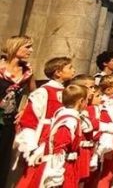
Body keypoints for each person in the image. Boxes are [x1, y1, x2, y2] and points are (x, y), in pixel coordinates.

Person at [15, 56, 75, 188]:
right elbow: (30, 120)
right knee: (33, 177)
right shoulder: (43, 91)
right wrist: (31, 147)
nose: (73, 70)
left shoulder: (67, 92)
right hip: (42, 140)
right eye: (70, 67)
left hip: (58, 141)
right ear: (57, 72)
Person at [0, 35, 35, 188]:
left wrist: (24, 109)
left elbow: (35, 94)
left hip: (8, 121)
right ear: (16, 46)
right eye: (27, 47)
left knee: (2, 159)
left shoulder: (27, 71)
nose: (31, 50)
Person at [43, 84, 88, 188]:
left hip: (69, 164)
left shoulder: (70, 116)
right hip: (63, 166)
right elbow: (60, 145)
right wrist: (56, 174)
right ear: (81, 101)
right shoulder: (69, 120)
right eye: (86, 100)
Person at [70, 74, 101, 186]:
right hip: (78, 150)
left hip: (87, 149)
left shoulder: (89, 107)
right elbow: (88, 127)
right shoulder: (78, 109)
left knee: (84, 180)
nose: (93, 90)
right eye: (91, 87)